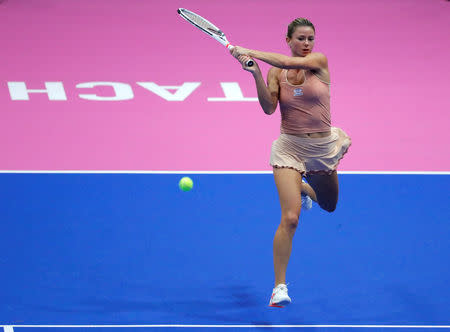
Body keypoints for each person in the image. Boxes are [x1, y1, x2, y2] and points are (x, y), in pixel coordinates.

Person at [230, 18, 351, 308]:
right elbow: (269, 108)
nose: (306, 44)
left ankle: (305, 190)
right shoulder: (277, 73)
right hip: (289, 147)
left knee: (328, 205)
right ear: (288, 39)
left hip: (321, 148)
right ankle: (279, 287)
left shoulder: (318, 62)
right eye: (300, 39)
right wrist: (256, 74)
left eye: (310, 38)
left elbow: (285, 61)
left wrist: (249, 50)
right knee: (291, 218)